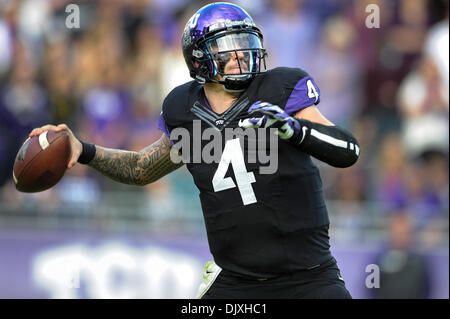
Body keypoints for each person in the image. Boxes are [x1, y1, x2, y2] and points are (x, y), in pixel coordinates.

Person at [30, 2, 360, 299]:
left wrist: (294, 129)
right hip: (238, 282)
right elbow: (141, 168)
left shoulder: (280, 88)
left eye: (244, 44)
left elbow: (348, 150)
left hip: (310, 278)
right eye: (227, 47)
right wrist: (83, 150)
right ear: (199, 57)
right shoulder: (184, 109)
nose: (238, 54)